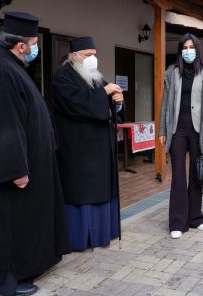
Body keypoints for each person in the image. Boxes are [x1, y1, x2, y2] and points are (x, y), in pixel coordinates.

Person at [0, 12, 69, 296]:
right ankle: (6, 280)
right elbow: (6, 122)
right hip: (12, 168)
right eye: (33, 44)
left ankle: (18, 270)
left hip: (20, 162)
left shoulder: (1, 61)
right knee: (7, 223)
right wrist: (16, 169)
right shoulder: (1, 70)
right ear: (20, 46)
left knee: (14, 223)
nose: (35, 49)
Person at [53, 37, 124, 251]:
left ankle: (102, 233)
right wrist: (104, 93)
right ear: (74, 56)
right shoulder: (63, 76)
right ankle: (80, 238)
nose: (93, 59)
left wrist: (118, 104)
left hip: (101, 148)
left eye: (94, 54)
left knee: (102, 187)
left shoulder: (97, 77)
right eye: (87, 55)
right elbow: (78, 104)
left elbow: (110, 108)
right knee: (80, 191)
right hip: (77, 148)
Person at [158, 33, 203, 239]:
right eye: (184, 47)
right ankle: (177, 222)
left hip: (198, 130)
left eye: (191, 47)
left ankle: (195, 217)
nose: (188, 51)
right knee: (178, 175)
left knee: (195, 173)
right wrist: (162, 131)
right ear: (180, 51)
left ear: (197, 49)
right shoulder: (172, 72)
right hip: (177, 129)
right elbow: (165, 103)